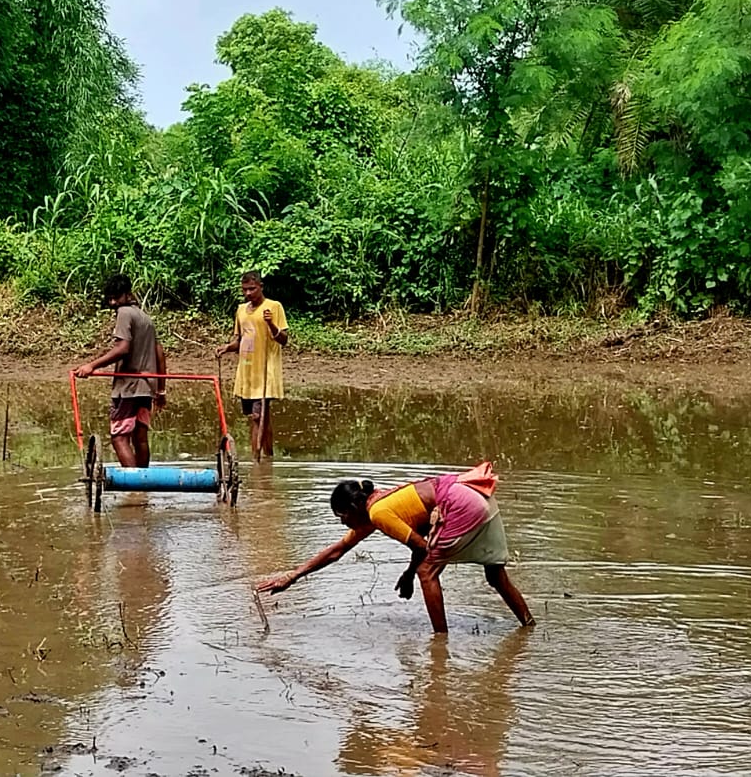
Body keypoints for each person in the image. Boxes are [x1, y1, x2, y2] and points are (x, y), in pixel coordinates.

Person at [254, 462, 534, 634]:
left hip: (461, 504)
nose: (343, 524)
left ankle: (440, 643)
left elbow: (423, 548)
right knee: (496, 575)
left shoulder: (378, 513)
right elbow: (337, 550)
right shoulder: (378, 505)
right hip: (481, 498)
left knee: (428, 573)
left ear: (353, 508)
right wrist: (293, 576)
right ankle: (528, 626)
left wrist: (413, 573)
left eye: (342, 517)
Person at [74, 274, 167, 468]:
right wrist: (160, 389)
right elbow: (160, 352)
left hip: (129, 386)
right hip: (147, 385)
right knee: (140, 436)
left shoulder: (124, 313)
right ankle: (144, 485)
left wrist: (91, 365)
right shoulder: (145, 317)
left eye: (117, 297)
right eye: (110, 298)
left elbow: (122, 348)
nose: (113, 302)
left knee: (119, 437)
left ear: (128, 294)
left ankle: (134, 486)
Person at [215, 270, 287, 460]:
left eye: (252, 289)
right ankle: (268, 457)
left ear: (261, 287)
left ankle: (257, 459)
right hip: (246, 372)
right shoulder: (241, 310)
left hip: (265, 372)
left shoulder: (274, 307)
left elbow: (283, 339)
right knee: (258, 417)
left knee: (258, 417)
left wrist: (271, 324)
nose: (248, 293)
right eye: (245, 290)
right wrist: (226, 348)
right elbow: (240, 340)